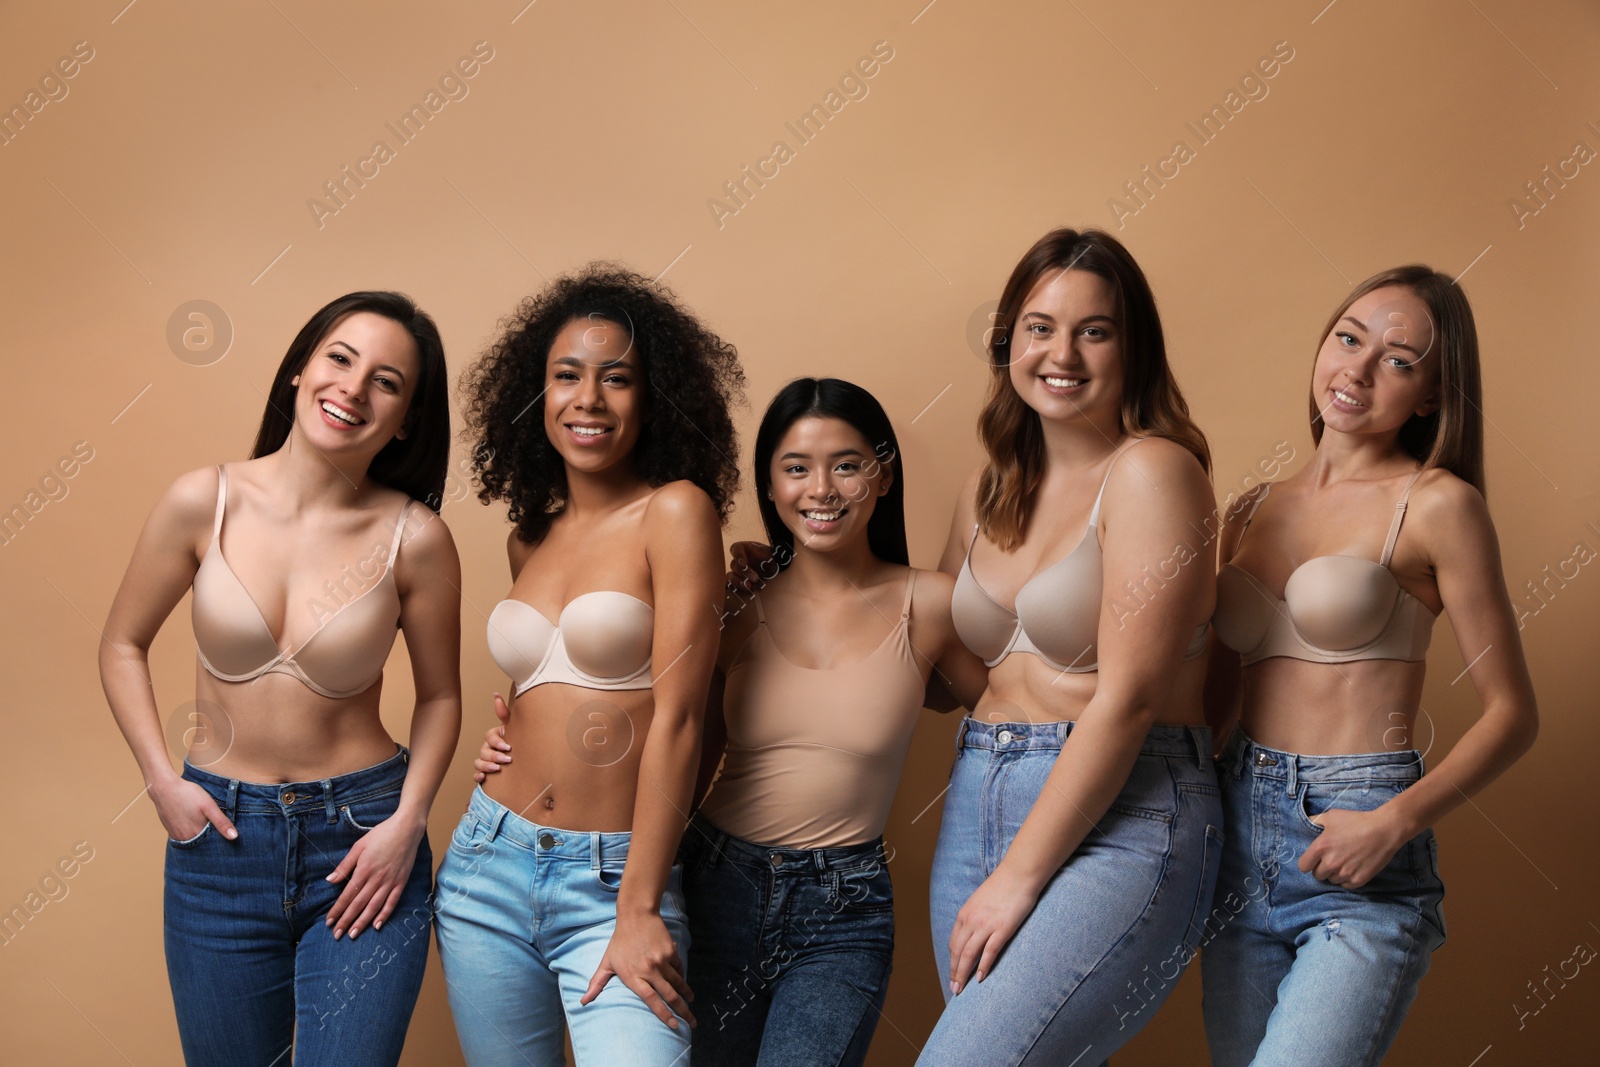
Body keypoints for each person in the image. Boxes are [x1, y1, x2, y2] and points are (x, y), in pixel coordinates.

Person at [478, 377, 987, 1066]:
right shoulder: (734, 603)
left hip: (844, 907)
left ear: (884, 475)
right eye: (796, 468)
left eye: (847, 464)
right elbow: (669, 729)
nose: (822, 489)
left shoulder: (930, 605)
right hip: (715, 878)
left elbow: (998, 718)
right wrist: (530, 753)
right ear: (770, 488)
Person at [100, 291, 462, 1067]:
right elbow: (123, 642)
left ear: (405, 420)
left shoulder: (417, 537)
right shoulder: (205, 499)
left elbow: (440, 695)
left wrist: (407, 822)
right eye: (340, 358)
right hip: (218, 849)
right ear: (300, 368)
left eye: (387, 381)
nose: (354, 389)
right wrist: (162, 779)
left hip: (364, 842)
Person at [1202, 266, 1538, 1066]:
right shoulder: (1248, 507)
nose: (1355, 368)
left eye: (1398, 358)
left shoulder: (1437, 504)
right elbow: (1216, 697)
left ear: (1430, 394)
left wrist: (1393, 821)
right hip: (1238, 831)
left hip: (1359, 829)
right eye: (1348, 337)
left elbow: (1513, 713)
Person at [918, 227, 1222, 1066]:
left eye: (1096, 330)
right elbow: (951, 676)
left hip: (1125, 808)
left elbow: (1127, 698)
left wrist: (1017, 876)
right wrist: (803, 582)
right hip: (981, 785)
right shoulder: (987, 492)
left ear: (1135, 351)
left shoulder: (1155, 472)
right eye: (1040, 325)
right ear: (1008, 339)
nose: (1063, 352)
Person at [435, 265, 741, 1066]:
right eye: (567, 376)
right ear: (535, 394)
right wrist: (503, 742)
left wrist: (639, 905)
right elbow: (533, 686)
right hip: (485, 866)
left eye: (618, 379)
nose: (589, 400)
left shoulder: (675, 512)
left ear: (656, 396)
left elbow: (683, 716)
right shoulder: (528, 537)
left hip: (612, 880)